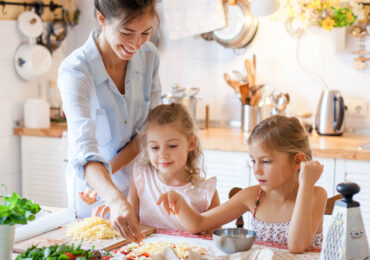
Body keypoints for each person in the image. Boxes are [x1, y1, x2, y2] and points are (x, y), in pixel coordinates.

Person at [57, 0, 161, 242]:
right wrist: (113, 197)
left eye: (145, 32)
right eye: (126, 32)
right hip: (91, 193)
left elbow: (149, 129)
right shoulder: (75, 70)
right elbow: (84, 151)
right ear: (101, 19)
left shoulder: (149, 57)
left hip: (138, 187)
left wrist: (114, 176)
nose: (136, 43)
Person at [158, 115, 327, 253]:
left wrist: (306, 184)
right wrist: (179, 203)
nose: (257, 170)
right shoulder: (254, 196)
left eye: (266, 162)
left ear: (298, 161)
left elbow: (297, 246)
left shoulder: (314, 195)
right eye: (253, 161)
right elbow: (199, 224)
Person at [92, 103, 220, 231]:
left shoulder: (206, 192)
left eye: (172, 146)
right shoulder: (140, 178)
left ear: (191, 143)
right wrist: (117, 211)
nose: (163, 154)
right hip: (146, 251)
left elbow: (214, 242)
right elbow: (131, 223)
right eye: (155, 147)